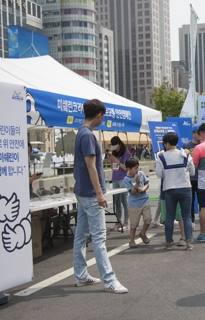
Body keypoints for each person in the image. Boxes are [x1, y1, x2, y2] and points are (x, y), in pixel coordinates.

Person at [72, 98, 127, 294]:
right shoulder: (88, 136)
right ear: (99, 115)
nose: (103, 119)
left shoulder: (81, 133)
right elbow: (91, 166)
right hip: (90, 193)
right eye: (103, 116)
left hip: (82, 191)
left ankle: (80, 275)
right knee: (99, 238)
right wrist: (99, 193)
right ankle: (109, 280)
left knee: (81, 236)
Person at [155, 132, 195, 250]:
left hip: (169, 189)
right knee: (186, 216)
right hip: (185, 188)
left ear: (166, 143)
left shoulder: (161, 157)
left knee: (169, 217)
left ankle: (168, 243)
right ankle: (188, 243)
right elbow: (192, 172)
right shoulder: (186, 155)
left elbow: (159, 174)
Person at [123, 158, 151, 248]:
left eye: (138, 167)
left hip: (144, 200)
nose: (137, 170)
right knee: (134, 223)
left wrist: (143, 188)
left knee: (148, 219)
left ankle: (143, 233)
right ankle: (132, 240)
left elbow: (147, 183)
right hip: (134, 204)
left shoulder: (141, 174)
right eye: (135, 168)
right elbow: (132, 192)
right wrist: (137, 184)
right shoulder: (126, 179)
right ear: (129, 169)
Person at [106, 136, 130, 232]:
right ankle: (118, 221)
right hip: (115, 179)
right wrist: (110, 160)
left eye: (116, 147)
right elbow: (113, 168)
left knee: (125, 201)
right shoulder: (114, 153)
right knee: (117, 202)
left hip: (123, 179)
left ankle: (126, 222)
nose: (115, 149)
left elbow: (125, 168)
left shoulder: (126, 153)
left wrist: (116, 160)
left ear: (120, 144)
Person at [182, 124, 201, 230]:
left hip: (201, 177)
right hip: (189, 178)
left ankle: (203, 222)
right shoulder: (186, 144)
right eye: (197, 132)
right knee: (190, 201)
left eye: (201, 132)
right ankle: (192, 221)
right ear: (193, 133)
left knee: (202, 201)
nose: (199, 134)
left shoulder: (204, 145)